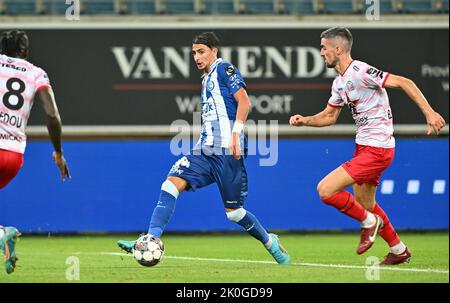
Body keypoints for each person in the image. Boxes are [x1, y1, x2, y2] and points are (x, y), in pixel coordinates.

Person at [118, 32, 290, 264]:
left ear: (214, 51)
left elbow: (245, 101)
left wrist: (236, 133)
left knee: (235, 213)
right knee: (170, 184)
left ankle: (270, 242)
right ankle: (150, 239)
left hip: (228, 149)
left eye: (201, 51)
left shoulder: (224, 69)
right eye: (194, 53)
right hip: (205, 150)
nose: (197, 57)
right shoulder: (205, 79)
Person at [289, 27, 446, 265]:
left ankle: (369, 222)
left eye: (323, 47)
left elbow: (405, 82)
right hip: (364, 147)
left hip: (378, 148)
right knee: (366, 203)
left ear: (338, 49)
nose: (321, 53)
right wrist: (305, 121)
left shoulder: (361, 71)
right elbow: (329, 117)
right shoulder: (340, 82)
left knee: (325, 190)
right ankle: (398, 249)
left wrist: (430, 113)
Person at [0, 30, 70, 274]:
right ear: (25, 51)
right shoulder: (35, 73)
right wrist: (58, 153)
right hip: (13, 156)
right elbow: (52, 114)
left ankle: (2, 234)